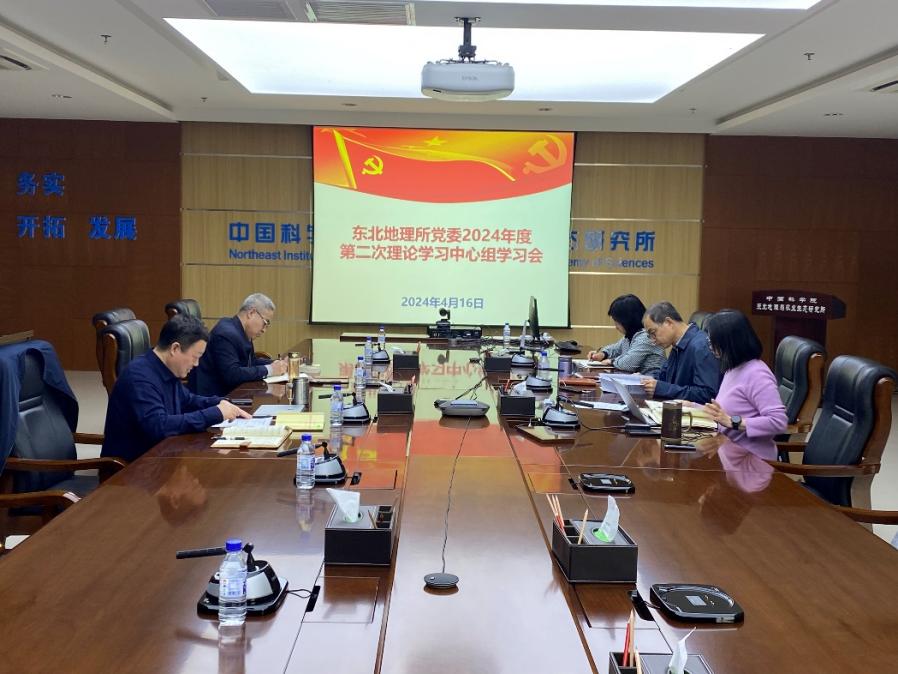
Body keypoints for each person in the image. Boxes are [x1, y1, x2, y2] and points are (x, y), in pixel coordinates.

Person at [102, 315, 250, 462]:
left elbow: (188, 400)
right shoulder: (139, 377)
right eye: (195, 357)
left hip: (162, 457)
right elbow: (159, 426)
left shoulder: (165, 368)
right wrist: (215, 413)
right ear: (175, 348)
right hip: (133, 468)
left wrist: (222, 403)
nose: (196, 364)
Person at [700, 309, 787, 461]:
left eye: (713, 342)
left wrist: (733, 422)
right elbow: (724, 413)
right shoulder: (733, 368)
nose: (710, 347)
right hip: (728, 452)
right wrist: (691, 406)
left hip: (752, 461)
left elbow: (778, 422)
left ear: (729, 343)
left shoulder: (757, 374)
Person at [192, 293, 288, 396]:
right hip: (215, 398)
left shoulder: (241, 330)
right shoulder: (225, 334)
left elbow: (250, 362)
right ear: (251, 313)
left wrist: (278, 364)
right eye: (265, 323)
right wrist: (270, 370)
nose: (264, 330)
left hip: (235, 393)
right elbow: (232, 375)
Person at [640, 301, 720, 404]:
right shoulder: (677, 345)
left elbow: (707, 394)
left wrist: (662, 388)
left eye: (653, 333)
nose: (652, 340)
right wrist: (642, 379)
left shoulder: (701, 346)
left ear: (668, 322)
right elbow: (663, 376)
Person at [587, 294, 665, 376]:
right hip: (641, 380)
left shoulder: (646, 337)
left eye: (617, 322)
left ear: (627, 321)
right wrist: (603, 354)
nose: (616, 327)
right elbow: (615, 348)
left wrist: (611, 361)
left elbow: (628, 364)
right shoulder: (631, 336)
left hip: (653, 380)